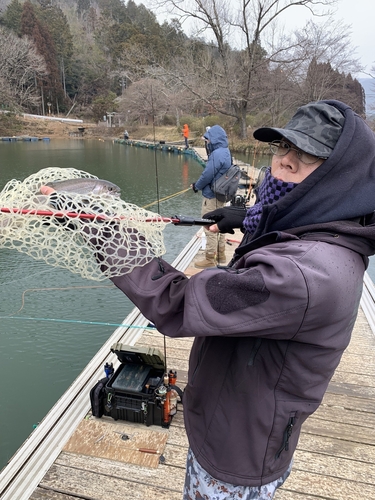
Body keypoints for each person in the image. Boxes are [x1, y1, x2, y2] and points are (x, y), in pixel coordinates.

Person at [42, 100, 375, 500]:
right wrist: (251, 218)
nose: (284, 163)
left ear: (341, 178)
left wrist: (103, 232)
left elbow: (177, 301)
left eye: (305, 157)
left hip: (235, 455)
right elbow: (282, 239)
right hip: (242, 426)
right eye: (282, 148)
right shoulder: (321, 233)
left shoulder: (304, 276)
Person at [190, 124, 232, 267]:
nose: (207, 142)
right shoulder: (226, 151)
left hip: (211, 197)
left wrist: (196, 186)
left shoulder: (217, 154)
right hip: (220, 196)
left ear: (214, 139)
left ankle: (209, 259)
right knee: (220, 226)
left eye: (208, 140)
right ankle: (221, 255)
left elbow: (207, 175)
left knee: (209, 226)